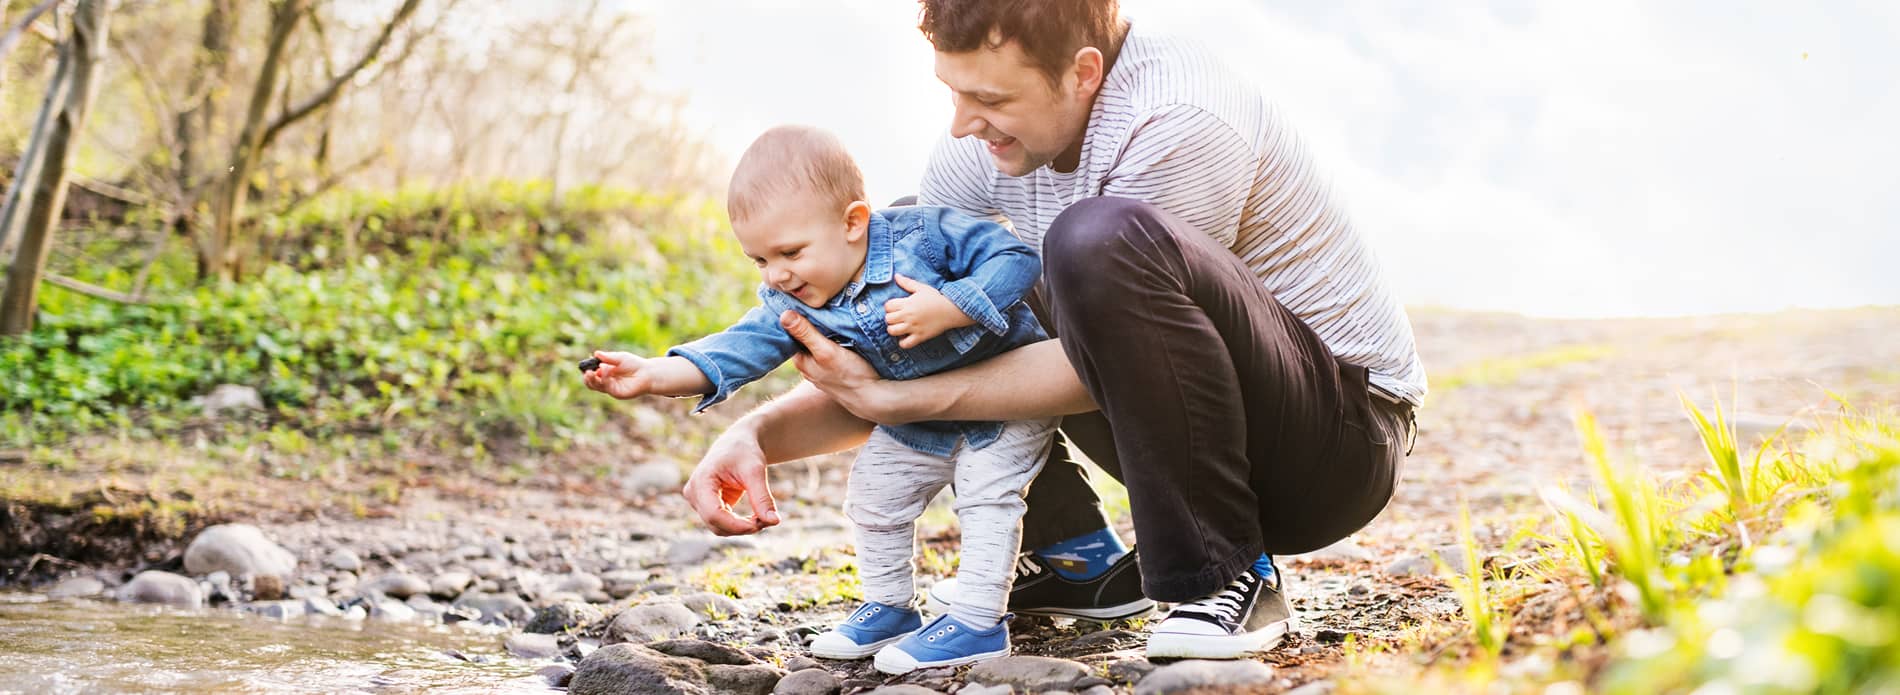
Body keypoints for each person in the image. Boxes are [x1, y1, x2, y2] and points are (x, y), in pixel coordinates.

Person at [681, 0, 1426, 660]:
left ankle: (1227, 571)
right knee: (916, 248)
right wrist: (757, 435)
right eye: (953, 91)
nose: (963, 123)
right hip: (1191, 422)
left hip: (1336, 443)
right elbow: (902, 355)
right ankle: (1077, 558)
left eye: (990, 97)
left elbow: (1100, 362)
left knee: (1093, 242)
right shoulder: (983, 146)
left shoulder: (1179, 120)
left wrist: (900, 404)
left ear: (1083, 72)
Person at [584, 125, 1058, 674]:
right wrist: (653, 373)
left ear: (853, 223)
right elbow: (739, 348)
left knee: (985, 496)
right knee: (875, 491)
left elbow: (1016, 258)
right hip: (919, 418)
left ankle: (978, 622)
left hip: (1007, 399)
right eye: (759, 260)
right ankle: (890, 606)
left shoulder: (925, 237)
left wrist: (954, 305)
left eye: (790, 252)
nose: (777, 274)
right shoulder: (792, 298)